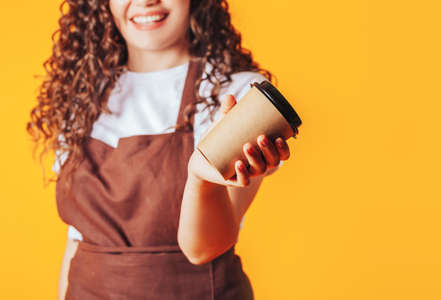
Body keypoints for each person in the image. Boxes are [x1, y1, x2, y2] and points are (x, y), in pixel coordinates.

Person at [27, 0, 291, 299]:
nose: (145, 1)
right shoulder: (82, 95)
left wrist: (199, 178)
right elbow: (77, 241)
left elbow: (202, 249)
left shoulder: (238, 96)